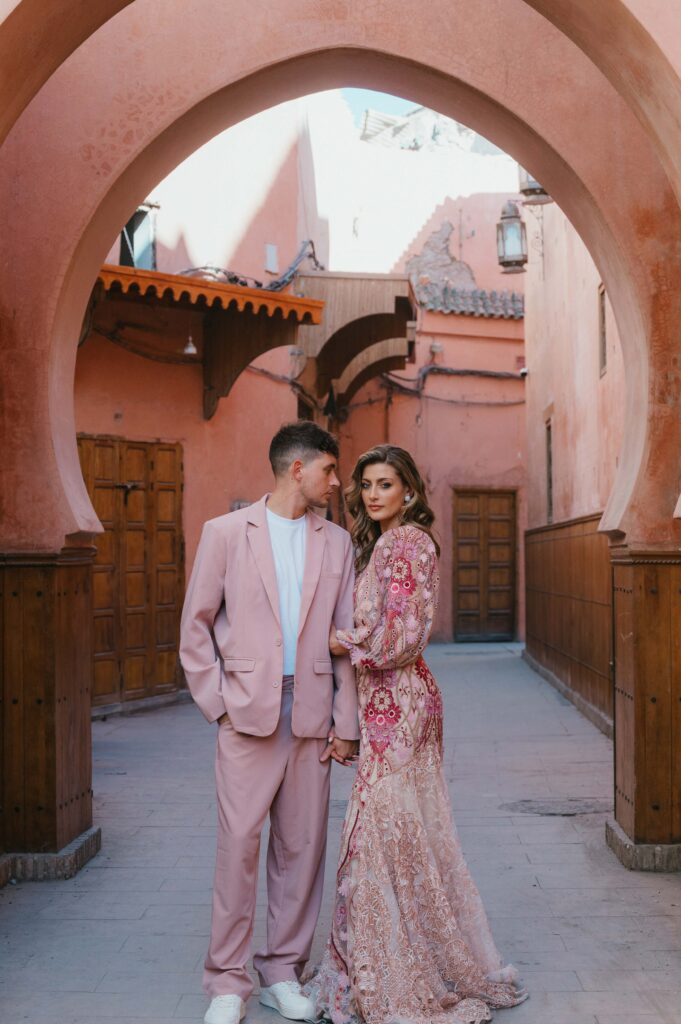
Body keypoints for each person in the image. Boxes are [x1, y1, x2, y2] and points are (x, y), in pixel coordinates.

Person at [305, 444, 528, 1024]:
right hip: (386, 704)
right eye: (367, 485)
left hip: (400, 705)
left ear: (409, 491)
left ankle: (401, 967)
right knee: (389, 833)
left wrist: (345, 643)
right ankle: (385, 960)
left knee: (386, 833)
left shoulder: (407, 544)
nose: (375, 494)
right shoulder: (381, 544)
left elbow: (405, 637)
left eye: (386, 484)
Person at [180, 422, 359, 1024]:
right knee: (238, 846)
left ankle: (283, 972)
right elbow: (196, 627)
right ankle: (227, 982)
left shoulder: (337, 542)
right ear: (297, 470)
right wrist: (219, 703)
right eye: (330, 470)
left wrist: (345, 720)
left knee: (303, 850)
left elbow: (345, 642)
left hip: (311, 714)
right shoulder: (226, 533)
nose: (337, 483)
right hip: (247, 711)